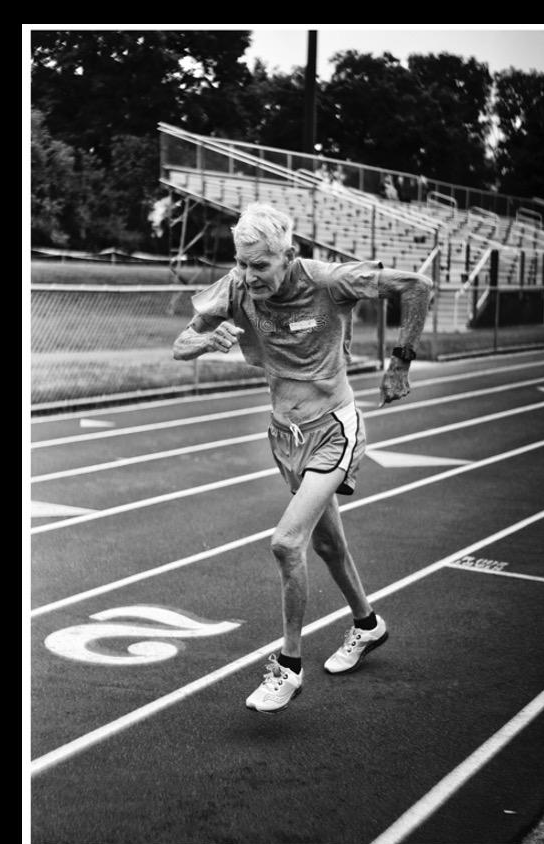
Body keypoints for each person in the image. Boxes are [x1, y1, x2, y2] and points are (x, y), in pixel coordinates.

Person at [172, 202, 432, 714]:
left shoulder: (328, 280)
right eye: (242, 263)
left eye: (259, 265)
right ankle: (367, 624)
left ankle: (288, 667)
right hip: (285, 437)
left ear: (287, 255)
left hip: (334, 429)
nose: (248, 276)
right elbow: (181, 344)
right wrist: (205, 340)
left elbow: (415, 287)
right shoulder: (237, 285)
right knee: (330, 547)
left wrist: (400, 362)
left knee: (287, 543)